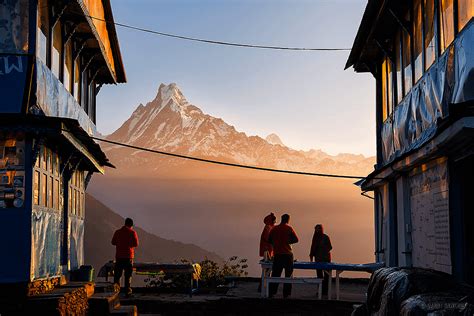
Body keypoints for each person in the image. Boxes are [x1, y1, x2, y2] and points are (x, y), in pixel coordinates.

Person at [268, 213, 299, 298]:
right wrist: (288, 242)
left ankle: (272, 292)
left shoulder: (275, 229)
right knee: (288, 275)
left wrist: (276, 244)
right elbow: (296, 239)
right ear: (288, 220)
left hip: (277, 254)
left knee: (275, 274)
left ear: (281, 219)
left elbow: (269, 240)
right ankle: (286, 294)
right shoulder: (289, 228)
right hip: (287, 254)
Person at [112, 217, 139, 296]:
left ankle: (116, 292)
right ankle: (127, 292)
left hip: (119, 256)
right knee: (128, 275)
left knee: (117, 275)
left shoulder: (117, 232)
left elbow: (113, 242)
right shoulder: (132, 233)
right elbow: (136, 244)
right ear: (131, 225)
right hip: (128, 257)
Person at [309, 224, 332, 295]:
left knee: (326, 276)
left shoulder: (325, 237)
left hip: (326, 259)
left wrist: (323, 251)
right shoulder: (315, 238)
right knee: (319, 276)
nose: (317, 230)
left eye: (318, 229)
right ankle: (320, 290)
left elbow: (330, 247)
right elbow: (312, 248)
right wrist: (312, 256)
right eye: (316, 229)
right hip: (318, 259)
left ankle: (325, 291)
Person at [258, 212, 276, 292]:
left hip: (268, 250)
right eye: (274, 220)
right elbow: (269, 240)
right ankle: (263, 286)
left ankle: (263, 286)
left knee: (267, 270)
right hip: (267, 251)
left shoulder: (268, 227)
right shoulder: (268, 228)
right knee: (267, 269)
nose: (275, 222)